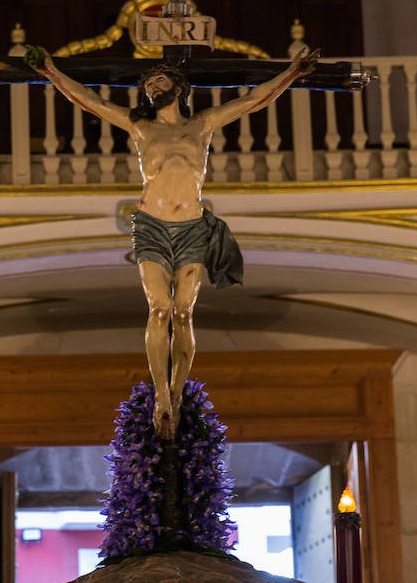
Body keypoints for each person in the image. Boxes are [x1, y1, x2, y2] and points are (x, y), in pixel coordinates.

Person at [27, 44, 319, 439]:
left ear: (178, 87)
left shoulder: (201, 125)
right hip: (150, 226)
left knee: (183, 313)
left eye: (159, 81)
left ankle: (178, 394)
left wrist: (292, 73)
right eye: (148, 85)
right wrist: (49, 72)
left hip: (192, 227)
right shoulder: (141, 127)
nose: (152, 89)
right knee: (159, 310)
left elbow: (252, 100)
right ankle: (161, 396)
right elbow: (90, 101)